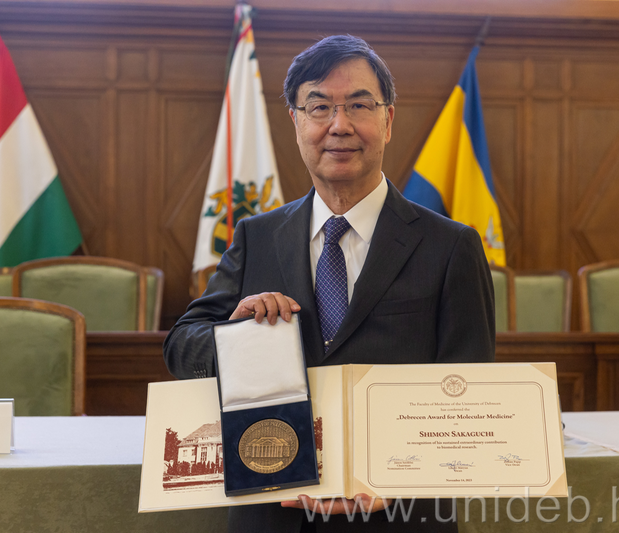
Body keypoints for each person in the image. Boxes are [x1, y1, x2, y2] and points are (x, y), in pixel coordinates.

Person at [164, 35, 495, 533]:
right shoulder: (257, 236)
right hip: (273, 513)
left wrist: (400, 481)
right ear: (296, 122)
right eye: (319, 107)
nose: (340, 125)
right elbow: (180, 347)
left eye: (359, 105)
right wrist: (235, 336)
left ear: (388, 120)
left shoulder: (452, 246)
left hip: (399, 515)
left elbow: (470, 391)